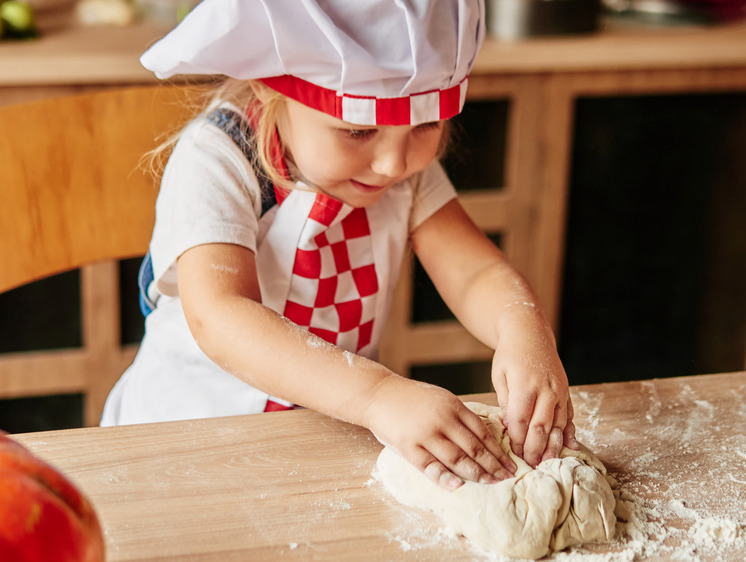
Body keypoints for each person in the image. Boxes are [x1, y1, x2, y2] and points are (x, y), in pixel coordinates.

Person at [102, 0, 578, 491]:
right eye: (357, 130)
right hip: (180, 448)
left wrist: (522, 328)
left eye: (425, 126)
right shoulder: (218, 160)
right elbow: (221, 316)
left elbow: (476, 273)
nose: (394, 164)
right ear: (269, 87)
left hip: (313, 441)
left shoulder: (400, 170)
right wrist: (377, 395)